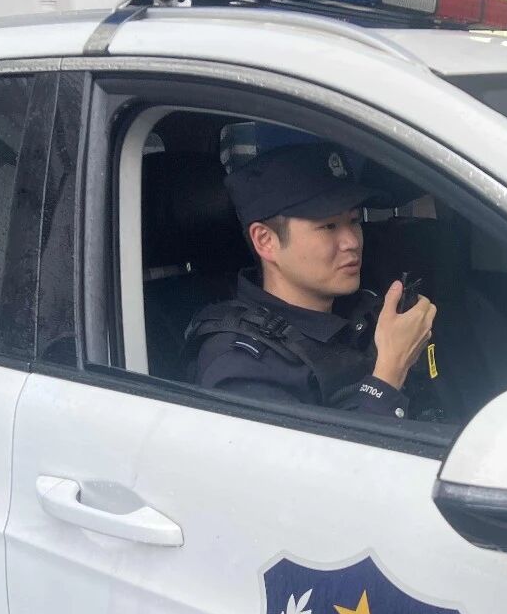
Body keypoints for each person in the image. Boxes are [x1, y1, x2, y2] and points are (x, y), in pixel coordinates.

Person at [186, 143, 437, 419]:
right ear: (265, 241)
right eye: (329, 226)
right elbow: (326, 450)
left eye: (354, 220)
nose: (352, 242)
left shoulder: (364, 310)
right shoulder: (239, 366)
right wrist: (390, 371)